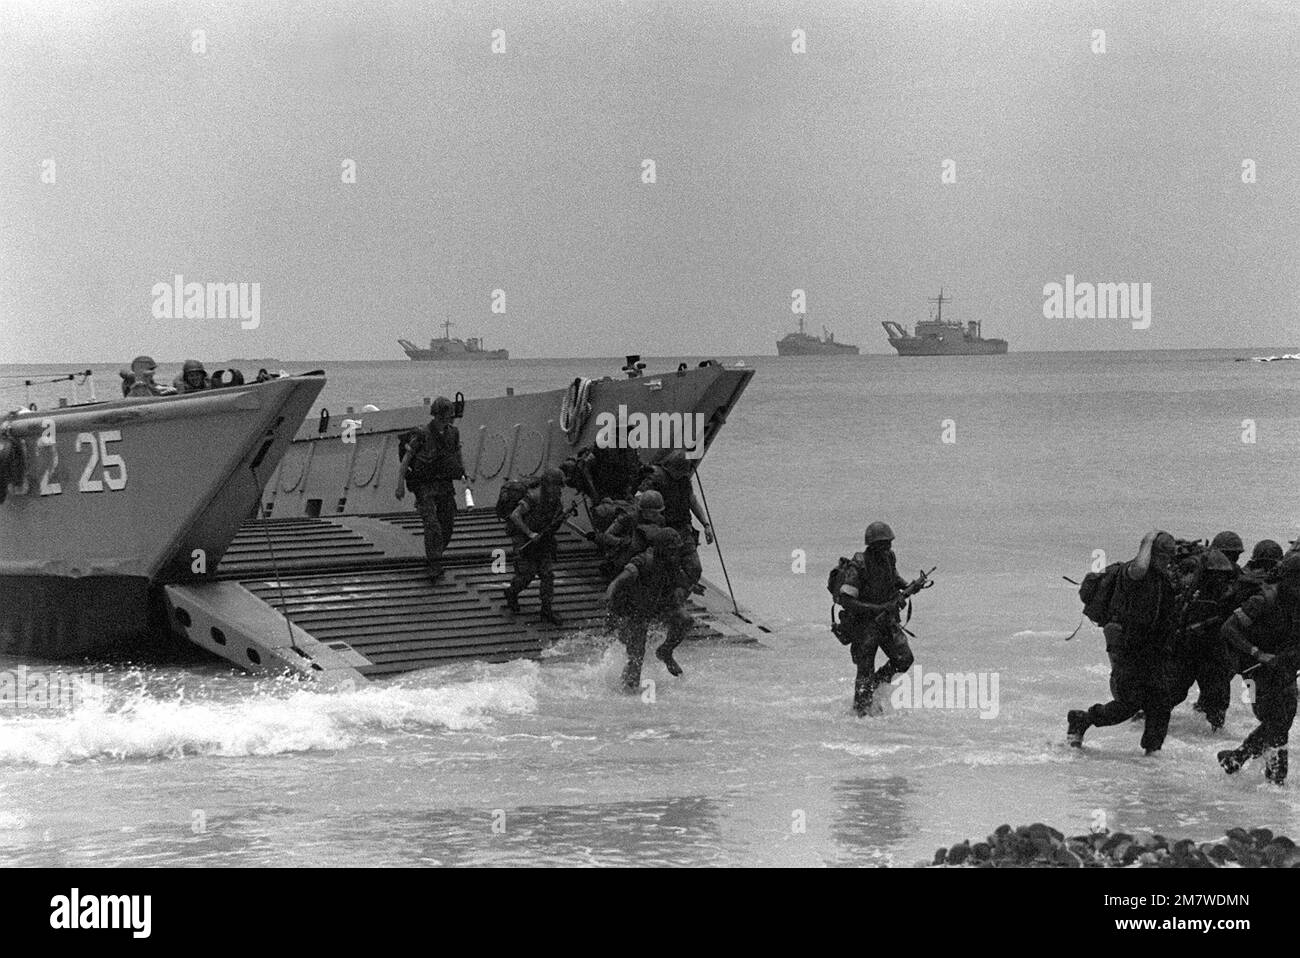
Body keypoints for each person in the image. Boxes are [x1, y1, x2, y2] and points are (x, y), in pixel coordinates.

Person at [1067, 531, 1179, 754]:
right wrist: (1147, 540)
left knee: (1160, 701)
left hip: (1153, 650)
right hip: (1129, 648)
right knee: (1129, 702)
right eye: (1163, 556)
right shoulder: (1133, 572)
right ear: (1151, 553)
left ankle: (1152, 752)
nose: (1167, 561)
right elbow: (1139, 568)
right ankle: (1083, 719)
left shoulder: (1161, 578)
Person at [1217, 553, 1300, 784]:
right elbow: (1229, 629)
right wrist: (1257, 653)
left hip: (1282, 668)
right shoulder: (1263, 600)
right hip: (1253, 670)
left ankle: (1237, 757)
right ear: (1289, 579)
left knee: (1285, 718)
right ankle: (1275, 779)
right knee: (1275, 720)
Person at [834, 521, 916, 717]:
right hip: (864, 626)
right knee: (864, 671)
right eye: (884, 544)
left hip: (887, 621)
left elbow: (894, 579)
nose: (889, 547)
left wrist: (911, 586)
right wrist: (878, 608)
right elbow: (847, 600)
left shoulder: (889, 557)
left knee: (904, 659)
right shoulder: (859, 564)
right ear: (873, 545)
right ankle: (861, 715)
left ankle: (875, 685)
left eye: (889, 543)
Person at [605, 526, 693, 690]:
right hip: (633, 613)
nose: (675, 554)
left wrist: (683, 590)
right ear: (662, 548)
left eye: (676, 550)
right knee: (637, 656)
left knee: (685, 620)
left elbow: (679, 582)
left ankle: (665, 651)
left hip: (655, 606)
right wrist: (610, 593)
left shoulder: (670, 562)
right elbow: (621, 579)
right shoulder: (645, 560)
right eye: (671, 550)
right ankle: (628, 693)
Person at [395, 396, 465, 583]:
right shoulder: (423, 434)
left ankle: (435, 555)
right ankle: (434, 563)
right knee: (432, 524)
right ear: (437, 415)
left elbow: (457, 453)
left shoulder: (453, 433)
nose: (449, 419)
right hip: (424, 485)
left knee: (447, 525)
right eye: (446, 416)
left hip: (444, 484)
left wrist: (463, 473)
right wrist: (400, 484)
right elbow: (407, 458)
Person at [1167, 548, 1237, 730]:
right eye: (1215, 575)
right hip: (1190, 650)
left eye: (1222, 575)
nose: (1218, 579)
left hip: (1211, 653)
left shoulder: (1228, 594)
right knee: (1170, 694)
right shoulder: (1187, 593)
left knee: (1216, 701)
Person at [638, 450, 713, 592]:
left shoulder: (684, 480)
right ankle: (664, 600)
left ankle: (677, 600)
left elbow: (692, 501)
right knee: (663, 569)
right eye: (679, 471)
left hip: (683, 529)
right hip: (662, 530)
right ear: (669, 467)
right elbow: (641, 501)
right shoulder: (656, 478)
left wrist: (706, 524)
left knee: (694, 568)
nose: (681, 474)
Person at [502, 466, 567, 626]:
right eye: (556, 485)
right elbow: (515, 516)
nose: (559, 489)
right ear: (547, 484)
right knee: (527, 574)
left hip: (542, 538)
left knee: (547, 574)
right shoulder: (533, 497)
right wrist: (530, 533)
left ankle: (546, 608)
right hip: (524, 538)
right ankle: (512, 592)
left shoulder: (556, 500)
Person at [594, 489, 665, 579]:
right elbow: (606, 536)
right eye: (652, 512)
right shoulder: (629, 517)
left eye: (657, 513)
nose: (655, 516)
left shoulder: (660, 520)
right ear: (643, 510)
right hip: (626, 554)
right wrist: (622, 541)